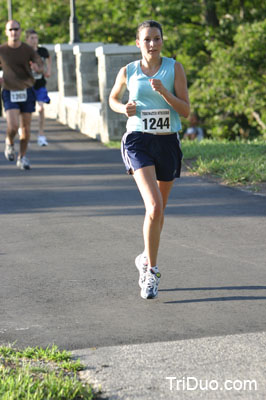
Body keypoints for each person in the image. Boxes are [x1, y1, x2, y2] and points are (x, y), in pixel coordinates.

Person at [109, 20, 190, 299]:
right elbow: (113, 98)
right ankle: (151, 272)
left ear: (162, 41)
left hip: (167, 141)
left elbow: (186, 110)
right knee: (154, 206)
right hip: (138, 140)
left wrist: (164, 93)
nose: (152, 44)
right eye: (147, 40)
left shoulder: (174, 68)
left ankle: (145, 256)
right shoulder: (128, 71)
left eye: (156, 39)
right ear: (138, 43)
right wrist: (124, 108)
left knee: (159, 211)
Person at [0, 20, 43, 169]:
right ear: (6, 32)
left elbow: (39, 63)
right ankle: (9, 143)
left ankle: (22, 157)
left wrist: (37, 67)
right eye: (10, 29)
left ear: (20, 31)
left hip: (27, 90)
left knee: (25, 129)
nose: (14, 32)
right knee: (13, 126)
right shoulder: (2, 50)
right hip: (9, 90)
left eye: (16, 29)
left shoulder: (27, 50)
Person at [25, 29, 51, 147]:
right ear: (27, 39)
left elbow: (48, 58)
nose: (35, 40)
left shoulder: (42, 51)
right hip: (27, 85)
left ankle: (41, 134)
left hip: (40, 84)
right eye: (32, 38)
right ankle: (25, 133)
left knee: (40, 109)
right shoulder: (24, 51)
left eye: (36, 38)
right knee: (26, 112)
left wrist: (48, 70)